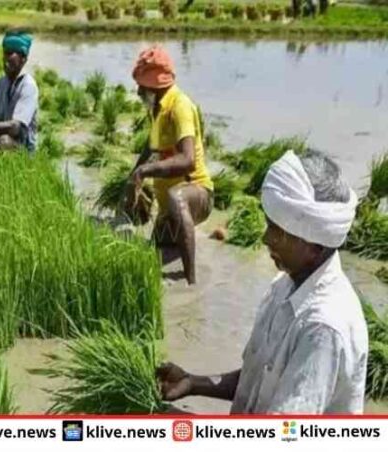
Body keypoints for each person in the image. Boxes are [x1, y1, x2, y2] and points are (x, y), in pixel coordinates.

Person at [156, 149, 367, 414]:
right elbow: (259, 378)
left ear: (314, 243)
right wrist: (193, 382)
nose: (266, 239)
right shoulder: (285, 285)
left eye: (277, 230)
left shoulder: (323, 329)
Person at [125, 46, 213, 285]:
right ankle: (183, 237)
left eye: (143, 86)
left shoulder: (179, 107)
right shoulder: (156, 109)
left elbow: (187, 161)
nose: (139, 91)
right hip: (169, 209)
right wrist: (133, 177)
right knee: (155, 253)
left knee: (177, 198)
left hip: (196, 192)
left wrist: (146, 171)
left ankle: (191, 281)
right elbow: (150, 149)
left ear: (156, 85)